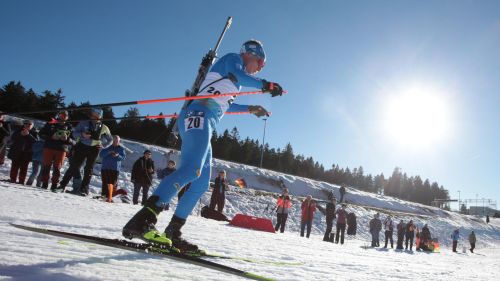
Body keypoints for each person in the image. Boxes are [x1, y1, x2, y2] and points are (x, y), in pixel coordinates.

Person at [122, 39, 284, 254]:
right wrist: (266, 85)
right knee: (190, 170)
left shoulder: (234, 83)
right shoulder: (232, 61)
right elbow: (242, 77)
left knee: (200, 183)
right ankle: (143, 219)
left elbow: (226, 104)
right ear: (251, 55)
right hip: (198, 115)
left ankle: (173, 232)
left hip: (206, 120)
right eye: (260, 62)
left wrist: (251, 108)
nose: (260, 68)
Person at [58, 108, 112, 195]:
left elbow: (110, 139)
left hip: (95, 148)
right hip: (82, 146)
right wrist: (82, 135)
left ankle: (83, 190)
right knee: (74, 166)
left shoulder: (104, 127)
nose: (93, 116)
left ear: (100, 116)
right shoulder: (84, 123)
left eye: (96, 115)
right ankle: (62, 186)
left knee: (88, 169)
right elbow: (74, 134)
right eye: (93, 114)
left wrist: (103, 145)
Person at [39, 110, 74, 190]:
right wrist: (51, 137)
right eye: (61, 115)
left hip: (61, 149)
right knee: (46, 166)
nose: (63, 116)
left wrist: (67, 139)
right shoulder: (51, 123)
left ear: (67, 117)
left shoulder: (69, 126)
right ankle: (44, 183)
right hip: (49, 147)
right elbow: (40, 134)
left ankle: (54, 184)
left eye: (65, 115)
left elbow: (74, 141)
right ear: (58, 115)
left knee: (57, 167)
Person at [9, 120, 38, 184]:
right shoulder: (18, 130)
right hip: (17, 151)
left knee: (24, 168)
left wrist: (28, 135)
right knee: (14, 166)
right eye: (25, 123)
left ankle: (21, 181)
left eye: (29, 124)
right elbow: (12, 138)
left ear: (32, 126)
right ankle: (12, 179)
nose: (27, 125)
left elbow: (36, 142)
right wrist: (20, 134)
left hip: (27, 153)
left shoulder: (34, 132)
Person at [99, 135, 127, 202]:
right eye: (114, 140)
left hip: (115, 169)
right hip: (105, 168)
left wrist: (117, 155)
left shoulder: (121, 149)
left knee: (112, 184)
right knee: (105, 183)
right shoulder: (107, 147)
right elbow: (101, 155)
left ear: (119, 141)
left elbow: (123, 158)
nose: (115, 142)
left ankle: (109, 198)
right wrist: (108, 152)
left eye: (117, 141)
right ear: (112, 141)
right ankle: (103, 197)